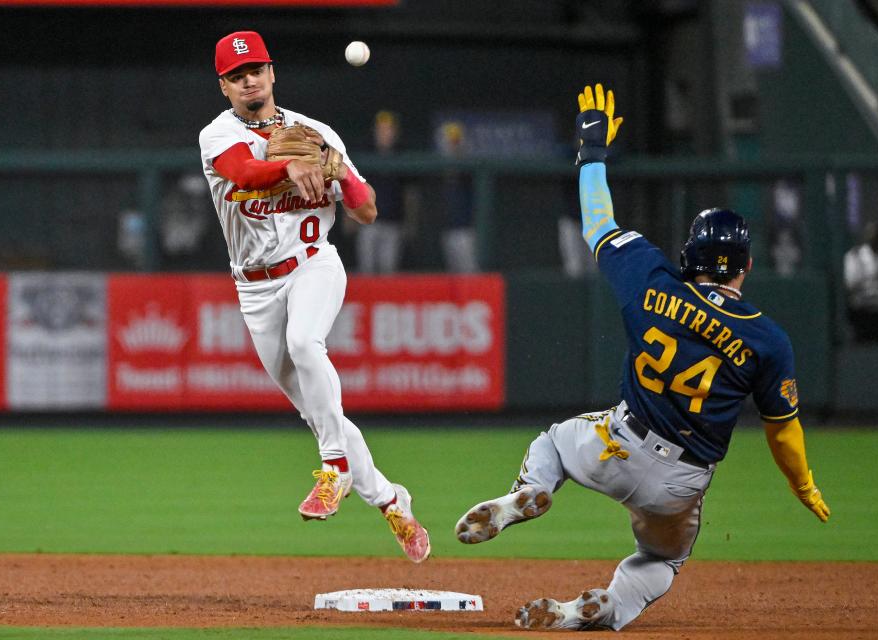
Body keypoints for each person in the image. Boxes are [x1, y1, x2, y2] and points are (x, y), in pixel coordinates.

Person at [454, 84, 830, 630]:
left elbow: (597, 222)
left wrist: (592, 153)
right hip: (681, 483)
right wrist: (803, 484)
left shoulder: (652, 279)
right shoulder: (767, 338)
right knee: (664, 560)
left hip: (616, 444)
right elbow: (783, 432)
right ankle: (592, 610)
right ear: (745, 266)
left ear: (689, 255)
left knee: (554, 444)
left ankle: (530, 492)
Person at [198, 31, 429, 563]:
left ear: (272, 73)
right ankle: (392, 500)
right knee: (321, 411)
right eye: (236, 75)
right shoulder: (217, 135)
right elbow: (246, 172)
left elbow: (367, 210)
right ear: (224, 87)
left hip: (313, 265)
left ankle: (335, 469)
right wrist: (289, 167)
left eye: (255, 68)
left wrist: (337, 168)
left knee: (306, 341)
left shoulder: (318, 133)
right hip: (255, 289)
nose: (248, 79)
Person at [355, 111, 406, 273]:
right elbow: (351, 188)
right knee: (366, 269)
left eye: (388, 129)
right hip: (368, 222)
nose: (385, 133)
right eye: (381, 129)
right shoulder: (366, 153)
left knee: (388, 270)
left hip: (393, 221)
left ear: (394, 132)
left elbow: (410, 194)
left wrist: (410, 220)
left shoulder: (401, 155)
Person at [437, 121, 479, 273]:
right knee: (452, 273)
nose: (452, 145)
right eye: (449, 141)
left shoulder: (468, 167)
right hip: (448, 228)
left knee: (469, 272)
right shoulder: (441, 168)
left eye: (455, 141)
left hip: (466, 229)